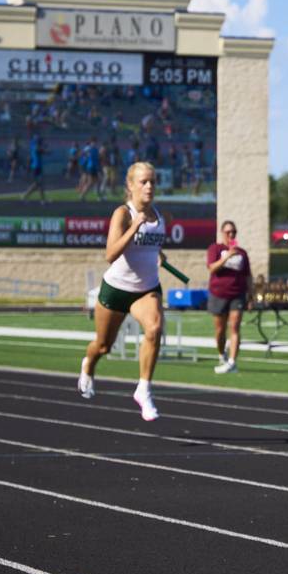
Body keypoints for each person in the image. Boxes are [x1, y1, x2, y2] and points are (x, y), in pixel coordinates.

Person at [78, 161, 168, 421]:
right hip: (116, 289)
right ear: (130, 186)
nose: (149, 186)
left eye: (152, 181)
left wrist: (159, 254)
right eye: (143, 182)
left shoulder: (160, 216)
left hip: (146, 289)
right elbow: (110, 254)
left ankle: (143, 389)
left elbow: (150, 246)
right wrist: (134, 226)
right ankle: (89, 364)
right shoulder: (123, 214)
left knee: (154, 329)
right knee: (103, 346)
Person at [206, 220, 253, 374]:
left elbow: (247, 276)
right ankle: (222, 354)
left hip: (237, 294)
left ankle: (232, 362)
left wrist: (250, 296)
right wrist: (226, 257)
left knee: (235, 326)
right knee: (220, 330)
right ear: (222, 233)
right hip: (218, 293)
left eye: (233, 232)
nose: (231, 235)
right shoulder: (215, 249)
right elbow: (212, 268)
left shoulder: (242, 253)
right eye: (228, 232)